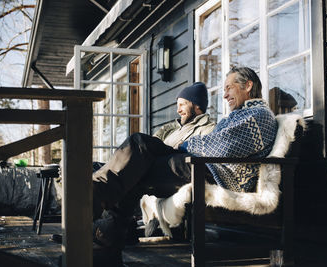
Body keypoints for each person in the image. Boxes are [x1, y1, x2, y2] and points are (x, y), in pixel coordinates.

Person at [91, 67, 278, 264]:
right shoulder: (244, 114)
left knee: (138, 155)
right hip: (203, 163)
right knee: (139, 149)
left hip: (215, 171)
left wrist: (187, 144)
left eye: (229, 88)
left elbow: (225, 145)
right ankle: (103, 232)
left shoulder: (260, 115)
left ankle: (95, 199)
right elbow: (222, 142)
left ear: (248, 86)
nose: (224, 95)